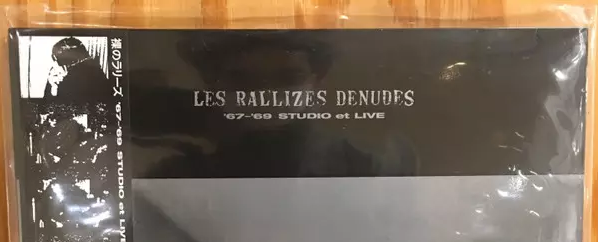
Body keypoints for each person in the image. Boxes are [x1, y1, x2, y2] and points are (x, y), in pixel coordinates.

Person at [147, 32, 418, 178]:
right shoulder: (174, 175)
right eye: (242, 80)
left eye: (288, 78)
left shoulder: (366, 168)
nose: (266, 94)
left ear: (316, 79)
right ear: (213, 82)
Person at [44, 37, 111, 103]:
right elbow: (45, 105)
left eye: (59, 62)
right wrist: (53, 87)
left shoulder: (93, 74)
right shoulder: (56, 72)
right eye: (55, 60)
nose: (56, 65)